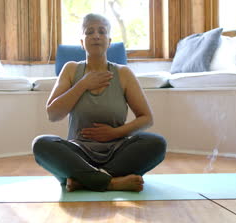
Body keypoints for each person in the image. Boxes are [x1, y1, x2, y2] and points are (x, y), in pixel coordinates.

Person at [32, 13, 166, 192]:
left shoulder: (123, 73)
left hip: (118, 152)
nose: (96, 35)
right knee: (41, 144)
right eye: (89, 32)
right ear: (82, 42)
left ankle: (85, 180)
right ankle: (112, 182)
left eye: (102, 32)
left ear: (109, 41)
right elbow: (53, 114)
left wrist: (114, 133)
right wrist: (83, 84)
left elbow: (147, 118)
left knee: (156, 143)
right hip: (78, 153)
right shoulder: (71, 70)